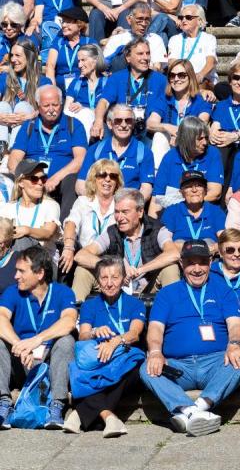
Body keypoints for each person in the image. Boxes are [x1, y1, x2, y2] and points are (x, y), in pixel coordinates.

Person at [140, 239, 240, 437]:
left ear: (210, 262)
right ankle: (190, 411)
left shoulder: (224, 291)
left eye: (202, 262)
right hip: (178, 366)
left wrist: (233, 345)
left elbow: (235, 324)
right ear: (182, 264)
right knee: (146, 368)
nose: (197, 269)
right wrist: (155, 352)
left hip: (215, 362)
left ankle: (197, 408)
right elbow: (155, 328)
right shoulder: (167, 293)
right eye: (191, 263)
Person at [64, 255, 145, 437]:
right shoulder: (89, 305)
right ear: (98, 280)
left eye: (114, 277)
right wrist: (94, 331)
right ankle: (108, 416)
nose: (109, 283)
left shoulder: (134, 303)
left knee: (120, 372)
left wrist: (115, 341)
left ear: (123, 279)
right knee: (77, 369)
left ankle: (80, 413)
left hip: (124, 355)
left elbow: (134, 333)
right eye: (104, 278)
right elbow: (83, 335)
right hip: (96, 356)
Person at [0, 245, 77, 430]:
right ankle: (3, 402)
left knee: (66, 340)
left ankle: (57, 405)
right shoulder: (13, 292)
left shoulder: (62, 292)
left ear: (40, 273)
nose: (16, 276)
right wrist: (19, 345)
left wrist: (37, 340)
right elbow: (1, 318)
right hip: (22, 360)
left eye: (21, 271)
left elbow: (69, 322)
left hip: (50, 363)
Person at [72, 188, 180, 301]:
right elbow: (80, 256)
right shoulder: (112, 232)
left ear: (140, 212)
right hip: (116, 286)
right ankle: (74, 313)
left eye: (125, 212)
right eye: (117, 212)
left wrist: (141, 270)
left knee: (171, 269)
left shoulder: (157, 229)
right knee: (82, 270)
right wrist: (117, 268)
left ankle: (175, 315)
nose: (119, 218)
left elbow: (174, 254)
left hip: (148, 286)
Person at [8, 85, 86, 214]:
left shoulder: (74, 125)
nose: (51, 110)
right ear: (38, 106)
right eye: (46, 106)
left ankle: (64, 227)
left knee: (72, 180)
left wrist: (55, 178)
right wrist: (25, 180)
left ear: (61, 104)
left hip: (60, 181)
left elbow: (80, 159)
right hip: (31, 179)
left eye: (55, 105)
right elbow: (14, 159)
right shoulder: (29, 127)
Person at [92, 38, 169, 141]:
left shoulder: (161, 80)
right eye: (140, 54)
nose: (145, 57)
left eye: (148, 53)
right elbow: (104, 102)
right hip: (122, 128)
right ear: (128, 57)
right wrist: (98, 121)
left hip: (148, 132)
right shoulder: (117, 78)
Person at [78, 104, 155, 201]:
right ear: (110, 124)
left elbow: (146, 189)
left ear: (133, 123)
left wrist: (129, 205)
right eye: (118, 121)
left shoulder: (144, 152)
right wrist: (97, 202)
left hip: (126, 209)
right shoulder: (95, 149)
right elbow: (80, 184)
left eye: (128, 121)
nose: (123, 125)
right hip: (97, 204)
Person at [61, 159, 123, 276]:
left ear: (117, 182)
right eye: (102, 175)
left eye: (113, 176)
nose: (107, 179)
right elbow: (71, 223)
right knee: (79, 269)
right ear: (94, 179)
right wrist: (68, 248)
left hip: (113, 261)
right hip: (86, 259)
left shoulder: (121, 205)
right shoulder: (83, 202)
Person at [151, 117, 224, 214]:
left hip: (202, 212)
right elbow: (156, 198)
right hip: (173, 214)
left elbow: (215, 193)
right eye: (200, 139)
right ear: (187, 139)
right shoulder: (170, 157)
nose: (205, 142)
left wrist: (186, 203)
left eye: (206, 138)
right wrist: (152, 226)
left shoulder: (212, 154)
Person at [147, 60, 212, 167]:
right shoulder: (164, 99)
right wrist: (168, 128)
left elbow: (201, 126)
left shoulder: (201, 100)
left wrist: (180, 137)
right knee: (159, 136)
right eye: (172, 76)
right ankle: (157, 175)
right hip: (169, 145)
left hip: (192, 147)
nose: (176, 79)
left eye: (181, 75)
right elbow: (150, 123)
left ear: (190, 77)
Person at [0, 160, 62, 262]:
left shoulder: (50, 205)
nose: (40, 183)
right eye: (34, 179)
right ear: (20, 182)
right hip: (12, 258)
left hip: (44, 261)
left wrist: (27, 230)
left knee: (23, 241)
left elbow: (48, 233)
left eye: (43, 178)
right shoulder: (7, 208)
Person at [209, 64, 240, 185]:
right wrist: (213, 135)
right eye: (236, 78)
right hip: (225, 148)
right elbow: (215, 126)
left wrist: (235, 136)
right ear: (230, 81)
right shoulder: (221, 105)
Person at [161, 170, 226, 252]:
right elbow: (165, 240)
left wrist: (207, 249)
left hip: (209, 256)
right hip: (180, 256)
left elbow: (224, 240)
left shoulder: (216, 211)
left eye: (199, 185)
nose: (194, 190)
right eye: (188, 186)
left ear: (205, 190)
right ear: (181, 192)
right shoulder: (172, 211)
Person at [0, 38, 49, 145]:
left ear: (29, 57)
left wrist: (29, 117)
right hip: (5, 127)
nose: (12, 59)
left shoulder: (44, 81)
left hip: (30, 130)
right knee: (2, 105)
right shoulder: (4, 78)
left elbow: (50, 110)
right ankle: (1, 149)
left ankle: (14, 151)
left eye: (18, 55)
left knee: (23, 106)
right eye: (11, 55)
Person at [101, 2, 168, 72]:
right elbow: (104, 64)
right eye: (140, 19)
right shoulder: (117, 38)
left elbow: (158, 67)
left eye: (147, 19)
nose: (143, 23)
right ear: (129, 20)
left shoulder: (155, 39)